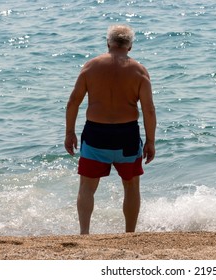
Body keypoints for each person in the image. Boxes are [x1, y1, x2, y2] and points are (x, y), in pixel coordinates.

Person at [64, 24, 156, 234]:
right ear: (130, 46)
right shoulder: (139, 71)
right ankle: (129, 234)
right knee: (131, 187)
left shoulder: (90, 67)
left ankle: (84, 234)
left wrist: (70, 132)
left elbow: (73, 102)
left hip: (96, 135)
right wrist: (150, 141)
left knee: (87, 187)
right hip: (127, 136)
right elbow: (149, 110)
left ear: (108, 43)